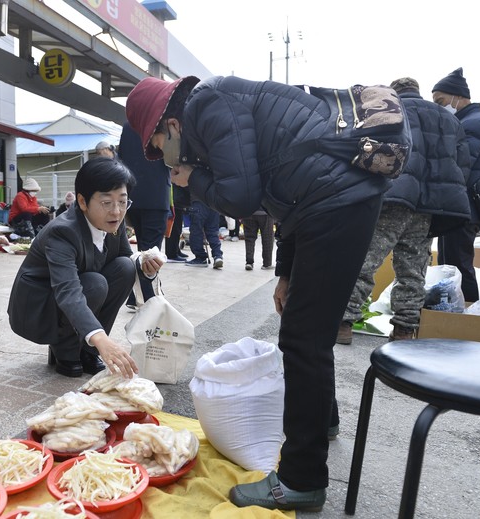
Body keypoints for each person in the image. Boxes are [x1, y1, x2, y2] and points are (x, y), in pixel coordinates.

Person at [126, 75, 389, 511]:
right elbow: (283, 190)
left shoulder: (207, 105)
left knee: (304, 340)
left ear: (170, 124)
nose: (164, 156)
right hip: (328, 202)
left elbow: (242, 197)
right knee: (308, 331)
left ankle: (302, 478)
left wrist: (193, 178)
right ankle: (320, 421)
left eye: (157, 145)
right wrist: (285, 273)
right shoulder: (216, 105)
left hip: (335, 202)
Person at [338, 77, 471, 344]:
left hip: (393, 197)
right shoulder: (449, 119)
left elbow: (371, 151)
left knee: (366, 259)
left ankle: (343, 323)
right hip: (428, 205)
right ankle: (404, 329)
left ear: (394, 93)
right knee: (413, 267)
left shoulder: (391, 109)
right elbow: (462, 164)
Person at [7, 157, 164, 379]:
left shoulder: (113, 222)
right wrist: (101, 338)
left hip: (79, 290)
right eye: (107, 202)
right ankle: (66, 350)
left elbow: (123, 257)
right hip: (39, 308)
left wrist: (145, 267)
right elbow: (68, 290)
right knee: (95, 283)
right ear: (82, 201)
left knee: (125, 267)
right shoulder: (62, 232)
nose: (116, 212)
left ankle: (88, 351)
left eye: (122, 202)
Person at [432, 67, 480, 302]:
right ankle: (454, 312)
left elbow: (460, 164)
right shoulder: (469, 121)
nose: (439, 106)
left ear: (458, 97)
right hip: (461, 205)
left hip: (463, 206)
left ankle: (469, 312)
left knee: (458, 267)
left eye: (441, 101)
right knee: (450, 266)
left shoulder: (473, 123)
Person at [118, 122, 171, 304]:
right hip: (156, 194)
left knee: (143, 248)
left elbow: (121, 157)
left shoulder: (128, 126)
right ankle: (149, 298)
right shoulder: (159, 122)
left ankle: (135, 296)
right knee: (151, 252)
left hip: (133, 194)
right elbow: (172, 156)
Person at [186, 196, 224, 268]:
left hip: (199, 201)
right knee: (213, 232)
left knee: (196, 232)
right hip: (214, 203)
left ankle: (200, 257)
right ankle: (217, 256)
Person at [164, 185, 190, 262]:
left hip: (176, 200)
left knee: (177, 227)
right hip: (175, 201)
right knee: (174, 228)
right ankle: (172, 254)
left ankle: (175, 250)